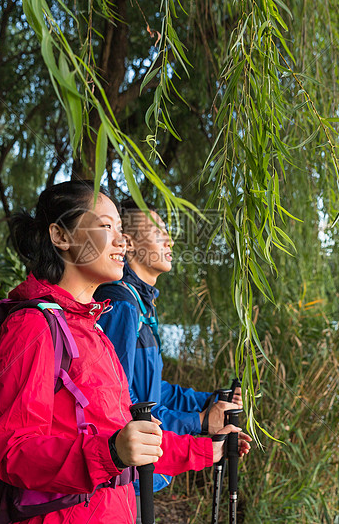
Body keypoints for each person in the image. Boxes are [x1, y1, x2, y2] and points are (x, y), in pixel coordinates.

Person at [0, 181, 251, 524]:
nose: (121, 240)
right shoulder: (34, 327)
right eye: (106, 226)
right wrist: (112, 452)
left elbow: (131, 431)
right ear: (60, 236)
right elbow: (14, 454)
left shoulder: (92, 328)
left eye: (121, 228)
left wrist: (208, 450)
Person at [94, 198, 243, 498]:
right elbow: (120, 402)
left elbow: (151, 390)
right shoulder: (120, 304)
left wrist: (209, 400)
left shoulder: (140, 303)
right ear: (130, 244)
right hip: (122, 479)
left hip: (142, 474)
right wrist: (200, 421)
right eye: (158, 231)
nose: (170, 239)